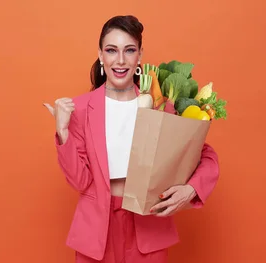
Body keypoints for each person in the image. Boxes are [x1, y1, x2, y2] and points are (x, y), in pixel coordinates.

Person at [43, 15, 220, 263]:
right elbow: (80, 181)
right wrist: (63, 132)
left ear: (139, 56)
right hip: (96, 231)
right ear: (101, 55)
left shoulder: (159, 106)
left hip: (148, 228)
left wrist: (191, 189)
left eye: (129, 50)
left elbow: (205, 155)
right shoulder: (80, 109)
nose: (121, 60)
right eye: (111, 50)